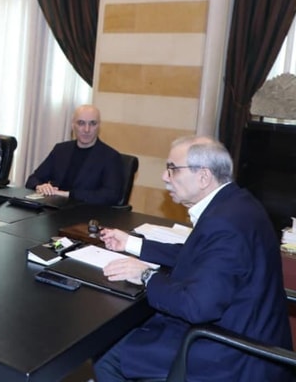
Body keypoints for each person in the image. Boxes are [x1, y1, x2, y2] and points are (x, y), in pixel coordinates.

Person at [94, 136, 292, 381]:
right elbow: (198, 253)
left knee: (109, 355)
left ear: (203, 177)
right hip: (246, 329)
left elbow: (197, 307)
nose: (165, 177)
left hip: (229, 355)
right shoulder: (236, 203)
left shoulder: (225, 224)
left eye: (173, 169)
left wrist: (145, 275)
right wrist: (131, 243)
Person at [25, 104, 123, 205]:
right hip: (54, 208)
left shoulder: (110, 157)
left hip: (87, 211)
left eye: (92, 123)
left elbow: (111, 195)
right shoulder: (61, 150)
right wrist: (40, 186)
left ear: (99, 126)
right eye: (81, 123)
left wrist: (67, 194)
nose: (87, 129)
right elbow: (33, 179)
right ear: (73, 125)